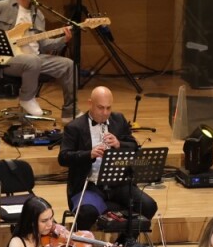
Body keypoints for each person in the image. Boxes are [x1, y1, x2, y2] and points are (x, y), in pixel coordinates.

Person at [58, 86, 157, 232]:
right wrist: (89, 154)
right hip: (89, 185)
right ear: (90, 103)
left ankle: (124, 242)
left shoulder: (119, 120)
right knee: (86, 213)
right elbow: (63, 157)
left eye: (108, 108)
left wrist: (118, 144)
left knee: (148, 206)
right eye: (100, 108)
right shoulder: (75, 127)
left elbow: (134, 146)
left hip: (118, 184)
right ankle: (81, 244)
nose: (105, 113)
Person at [0, 0, 77, 118]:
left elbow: (43, 44)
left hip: (36, 58)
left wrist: (64, 39)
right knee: (33, 61)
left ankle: (70, 112)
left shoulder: (38, 14)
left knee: (68, 65)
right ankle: (27, 98)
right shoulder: (3, 5)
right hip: (8, 59)